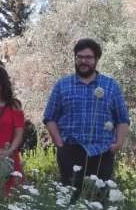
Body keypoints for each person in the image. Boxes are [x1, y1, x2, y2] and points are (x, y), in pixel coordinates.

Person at [43, 38, 129, 191]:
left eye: (88, 57)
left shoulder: (110, 86)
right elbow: (50, 117)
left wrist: (118, 144)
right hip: (70, 151)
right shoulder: (62, 85)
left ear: (96, 59)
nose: (84, 61)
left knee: (98, 200)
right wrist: (59, 143)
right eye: (80, 57)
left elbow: (122, 118)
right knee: (70, 199)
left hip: (102, 152)